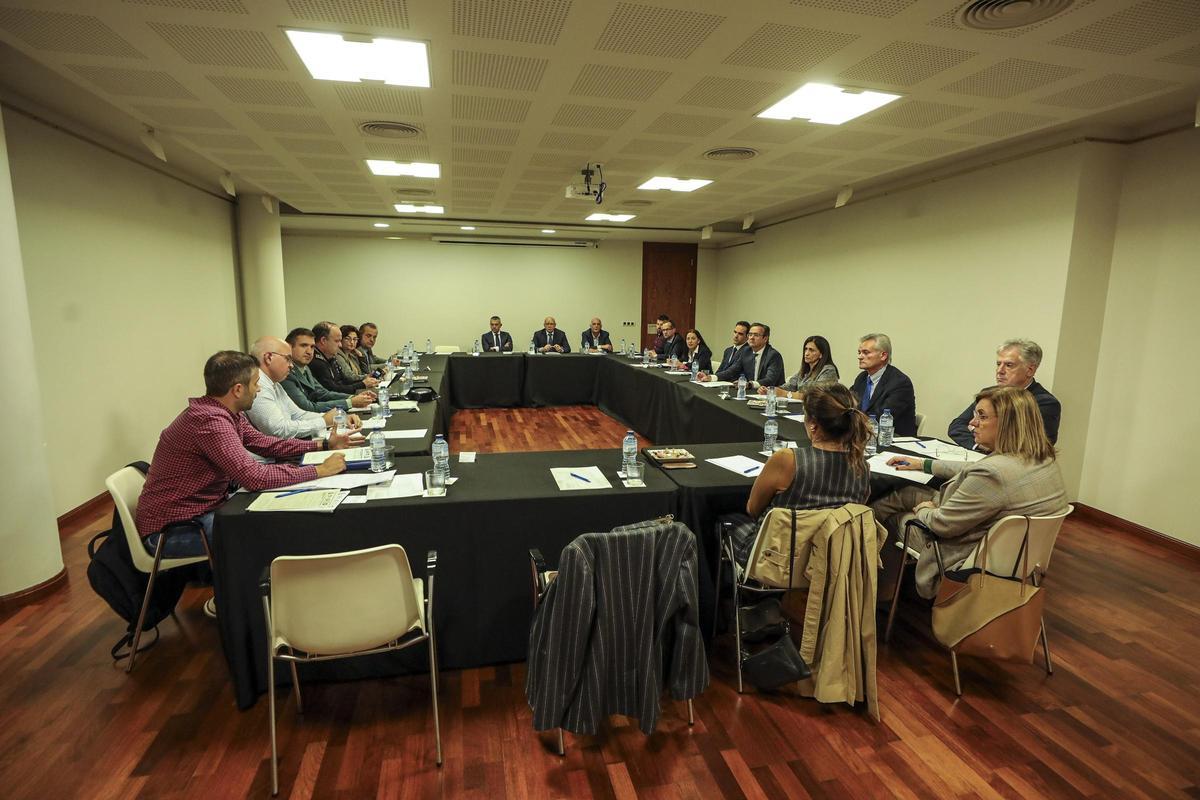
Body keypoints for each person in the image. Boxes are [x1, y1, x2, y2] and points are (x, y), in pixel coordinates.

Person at [136, 351, 350, 569]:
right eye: (256, 384)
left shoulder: (226, 413)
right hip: (174, 530)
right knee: (273, 532)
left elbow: (266, 444)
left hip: (202, 513)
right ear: (238, 389)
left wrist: (322, 445)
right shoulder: (209, 421)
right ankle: (241, 601)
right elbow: (253, 477)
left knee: (276, 521)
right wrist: (319, 470)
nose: (258, 389)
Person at [874, 385, 1068, 598]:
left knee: (886, 514)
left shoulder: (993, 473)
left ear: (1007, 423)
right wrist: (924, 464)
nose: (972, 424)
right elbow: (972, 470)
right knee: (907, 491)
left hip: (963, 557)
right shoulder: (1042, 459)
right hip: (1021, 559)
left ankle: (879, 590)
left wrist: (923, 511)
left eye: (982, 417)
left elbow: (942, 525)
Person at [723, 385, 873, 566]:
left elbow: (753, 509)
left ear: (813, 425)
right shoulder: (861, 466)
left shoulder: (788, 460)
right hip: (832, 560)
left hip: (777, 559)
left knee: (723, 520)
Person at [947, 339, 1061, 448]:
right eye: (998, 364)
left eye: (1009, 365)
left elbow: (1031, 445)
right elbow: (957, 427)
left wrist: (975, 431)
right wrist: (977, 445)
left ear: (1030, 370)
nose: (1000, 371)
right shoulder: (989, 394)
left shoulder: (1044, 402)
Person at [246, 336, 361, 440]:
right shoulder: (258, 385)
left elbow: (298, 415)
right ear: (269, 358)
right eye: (287, 359)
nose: (291, 365)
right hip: (274, 458)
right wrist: (323, 421)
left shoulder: (274, 383)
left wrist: (339, 418)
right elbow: (278, 430)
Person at [281, 327, 373, 413]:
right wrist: (350, 402)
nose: (309, 351)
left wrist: (354, 397)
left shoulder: (305, 368)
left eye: (312, 347)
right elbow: (307, 408)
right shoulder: (286, 374)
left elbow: (323, 393)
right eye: (304, 346)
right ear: (289, 347)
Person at [850, 333, 916, 436]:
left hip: (893, 440)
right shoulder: (862, 378)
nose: (860, 357)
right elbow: (848, 404)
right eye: (859, 352)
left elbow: (880, 418)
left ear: (883, 356)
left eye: (866, 352)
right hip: (865, 435)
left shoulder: (900, 383)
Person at [311, 321, 378, 393]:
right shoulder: (317, 362)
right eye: (337, 341)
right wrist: (361, 386)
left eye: (355, 339)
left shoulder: (330, 358)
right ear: (323, 340)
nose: (340, 345)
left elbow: (343, 382)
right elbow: (333, 390)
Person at [764, 335, 839, 399]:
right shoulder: (805, 370)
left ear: (821, 354)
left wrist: (786, 394)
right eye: (805, 349)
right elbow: (789, 386)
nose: (806, 353)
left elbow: (815, 395)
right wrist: (771, 390)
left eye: (811, 350)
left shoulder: (828, 370)